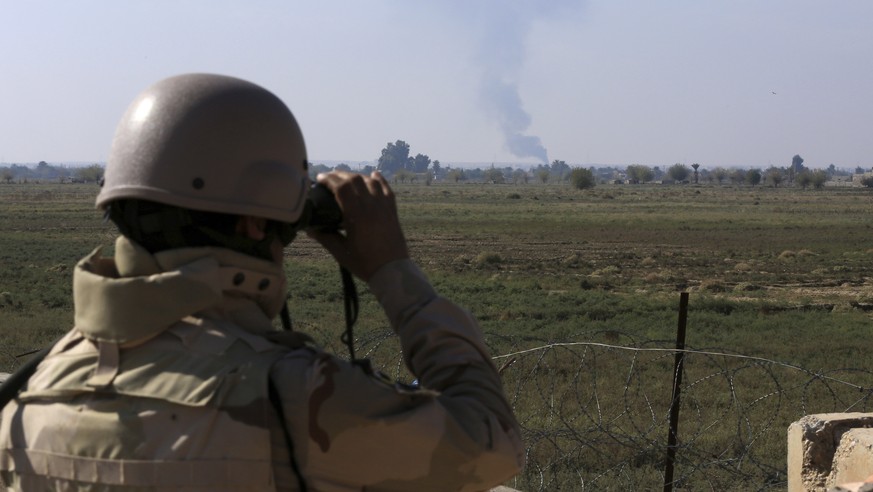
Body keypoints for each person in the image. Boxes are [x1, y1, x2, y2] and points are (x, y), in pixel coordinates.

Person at [0, 73, 524, 491]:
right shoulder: (290, 395)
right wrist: (393, 270)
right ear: (255, 223)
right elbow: (490, 444)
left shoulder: (29, 393)